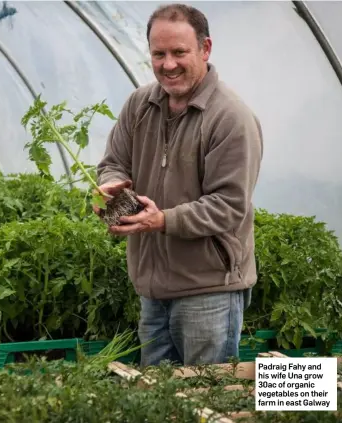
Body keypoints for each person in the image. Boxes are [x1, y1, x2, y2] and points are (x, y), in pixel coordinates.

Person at [95, 3, 263, 367]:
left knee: (207, 398)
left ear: (205, 49)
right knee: (158, 401)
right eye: (159, 54)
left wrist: (163, 220)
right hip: (152, 291)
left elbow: (228, 204)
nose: (168, 64)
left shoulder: (229, 118)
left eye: (179, 52)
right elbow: (113, 163)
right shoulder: (140, 105)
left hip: (209, 293)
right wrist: (111, 191)